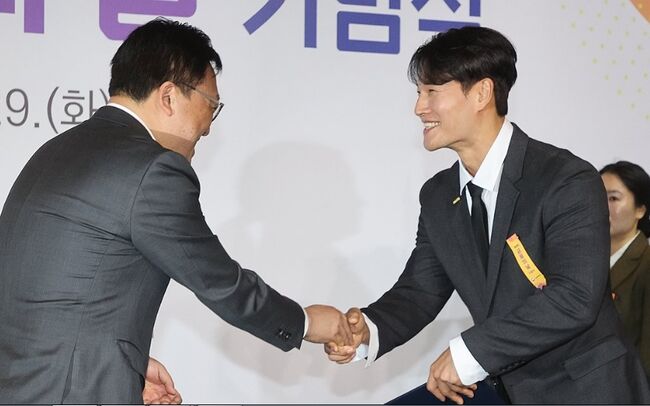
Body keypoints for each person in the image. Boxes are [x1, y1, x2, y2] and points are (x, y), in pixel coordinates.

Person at [0, 18, 352, 404]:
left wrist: (119, 362)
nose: (209, 126)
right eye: (211, 104)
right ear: (168, 96)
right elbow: (219, 282)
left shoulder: (55, 150)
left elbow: (42, 291)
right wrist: (306, 323)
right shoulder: (153, 169)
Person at [326, 26, 650, 404]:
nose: (419, 108)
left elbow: (575, 298)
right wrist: (368, 328)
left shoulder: (565, 179)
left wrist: (469, 353)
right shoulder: (438, 195)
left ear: (481, 93)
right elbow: (420, 290)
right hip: (509, 389)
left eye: (432, 91)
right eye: (418, 93)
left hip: (589, 390)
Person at [600, 161, 650, 382]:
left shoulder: (646, 264)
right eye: (598, 196)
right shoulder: (585, 259)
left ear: (641, 209)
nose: (603, 206)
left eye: (613, 198)